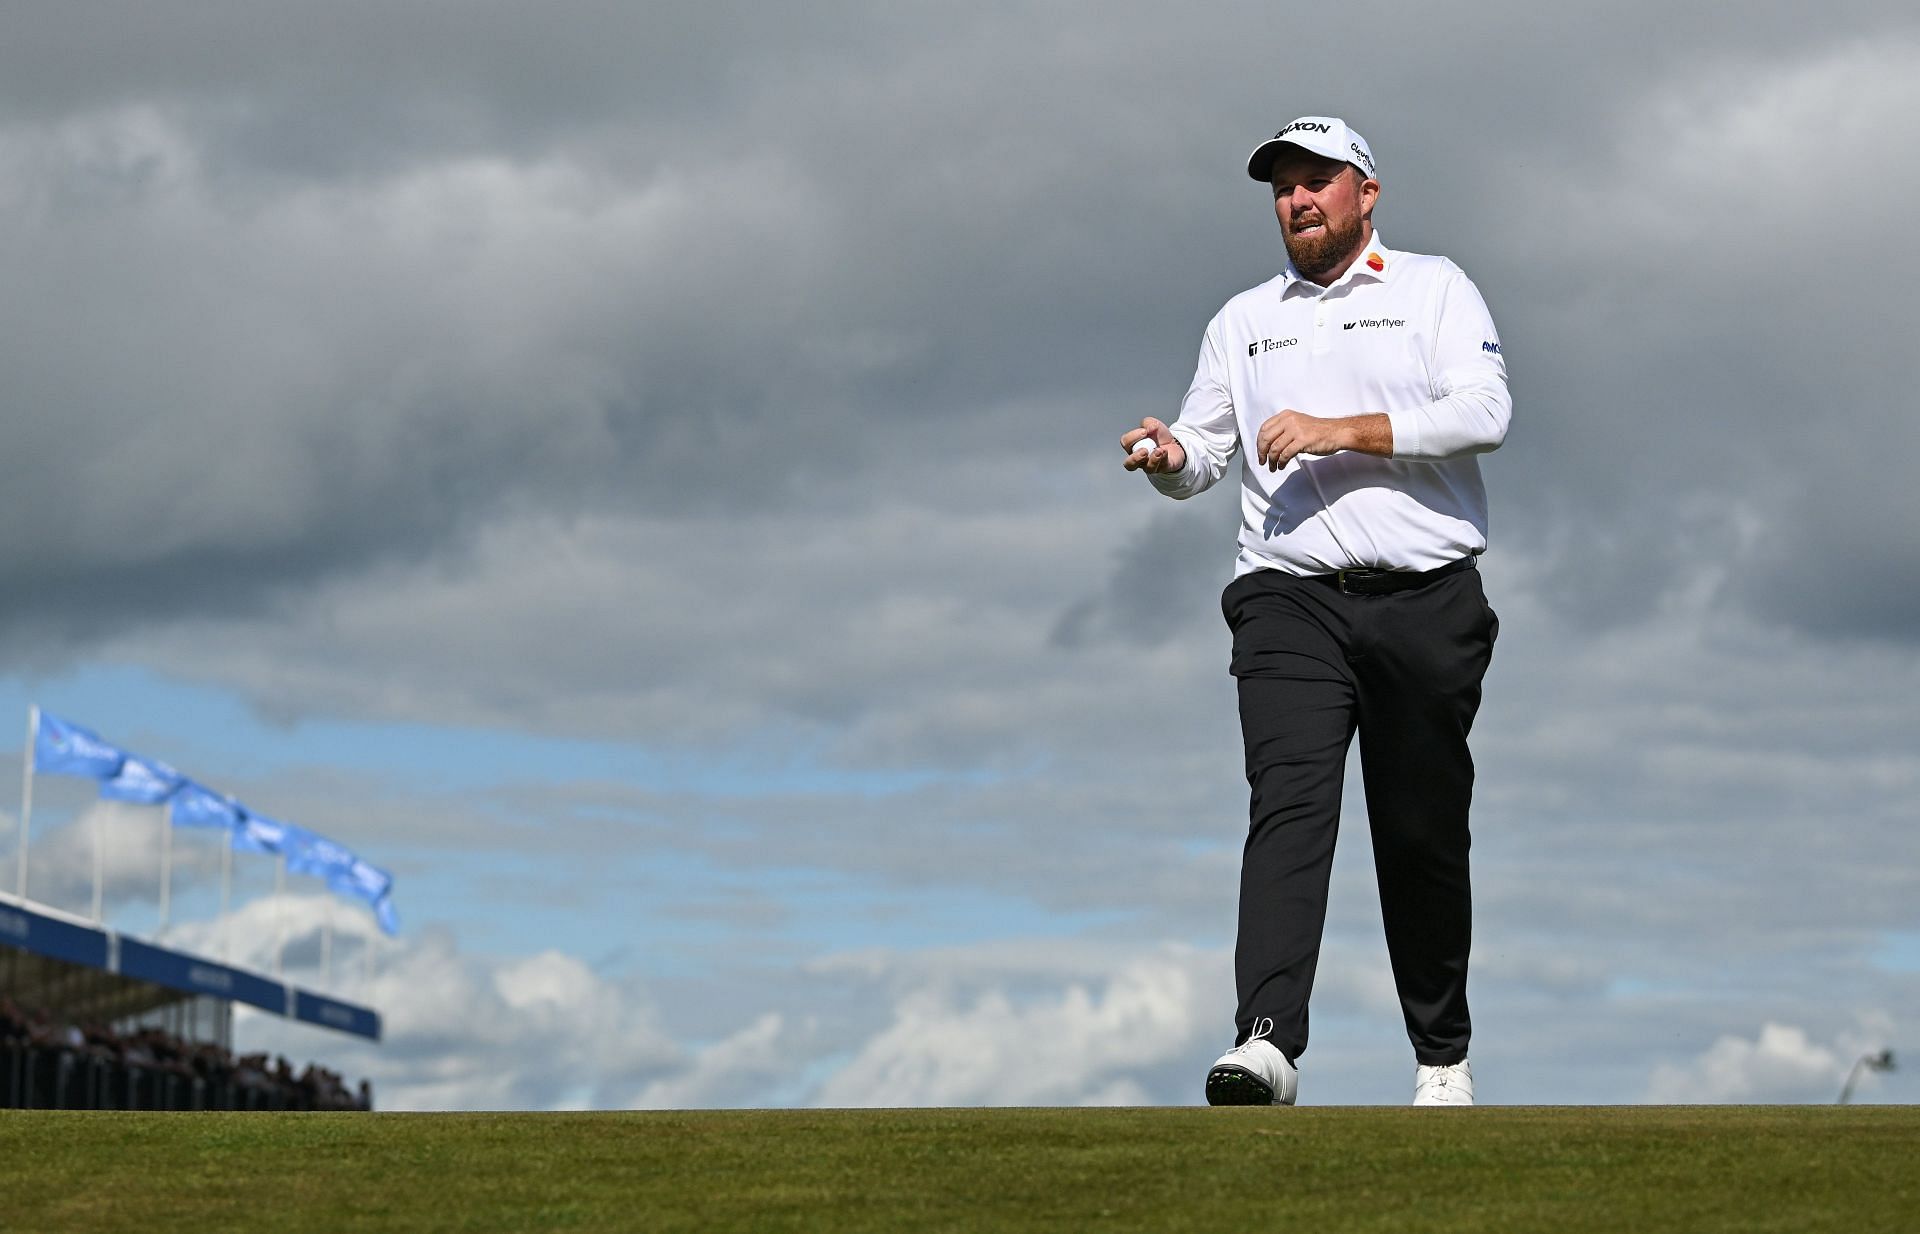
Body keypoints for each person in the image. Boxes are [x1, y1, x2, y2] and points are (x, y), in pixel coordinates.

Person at [1123, 116, 1509, 1107]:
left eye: (1316, 181)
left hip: (1427, 600)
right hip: (1287, 598)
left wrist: (1342, 431)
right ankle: (1265, 1042)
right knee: (1288, 804)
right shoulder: (1243, 320)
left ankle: (1441, 1056)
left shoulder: (1434, 289)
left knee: (1421, 828)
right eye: (1282, 187)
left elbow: (1485, 414)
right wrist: (1172, 459)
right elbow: (1209, 452)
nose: (1296, 199)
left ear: (1366, 192)